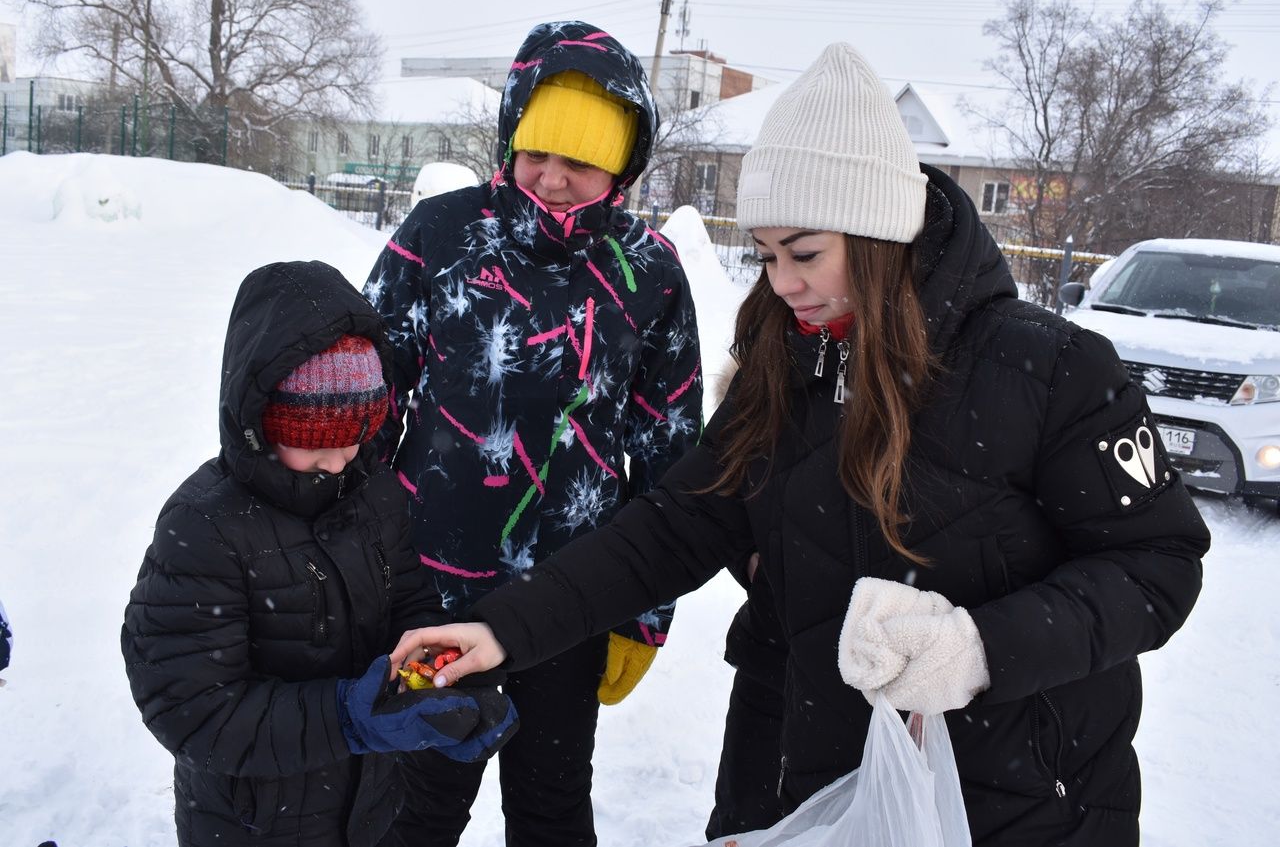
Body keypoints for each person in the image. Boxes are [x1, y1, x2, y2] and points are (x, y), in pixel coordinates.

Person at [388, 43, 1212, 847]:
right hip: (801, 790)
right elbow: (677, 524)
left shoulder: (1049, 369)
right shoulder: (785, 364)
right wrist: (503, 629)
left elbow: (1158, 564)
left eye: (806, 253)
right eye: (768, 254)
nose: (782, 283)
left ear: (880, 232)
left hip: (1012, 801)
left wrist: (979, 648)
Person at [362, 20, 703, 847]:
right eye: (535, 152)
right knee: (418, 805)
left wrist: (644, 612)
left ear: (620, 166)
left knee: (550, 805)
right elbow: (368, 401)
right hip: (431, 591)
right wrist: (353, 559)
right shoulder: (440, 236)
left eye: (578, 160)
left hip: (569, 599)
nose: (550, 177)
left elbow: (670, 457)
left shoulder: (647, 272)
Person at [120, 260, 517, 847]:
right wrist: (346, 717)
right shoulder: (206, 526)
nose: (337, 462)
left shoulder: (371, 489)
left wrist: (439, 670)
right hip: (253, 824)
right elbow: (194, 709)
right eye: (314, 444)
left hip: (366, 809)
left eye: (354, 437)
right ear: (260, 423)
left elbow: (407, 596)